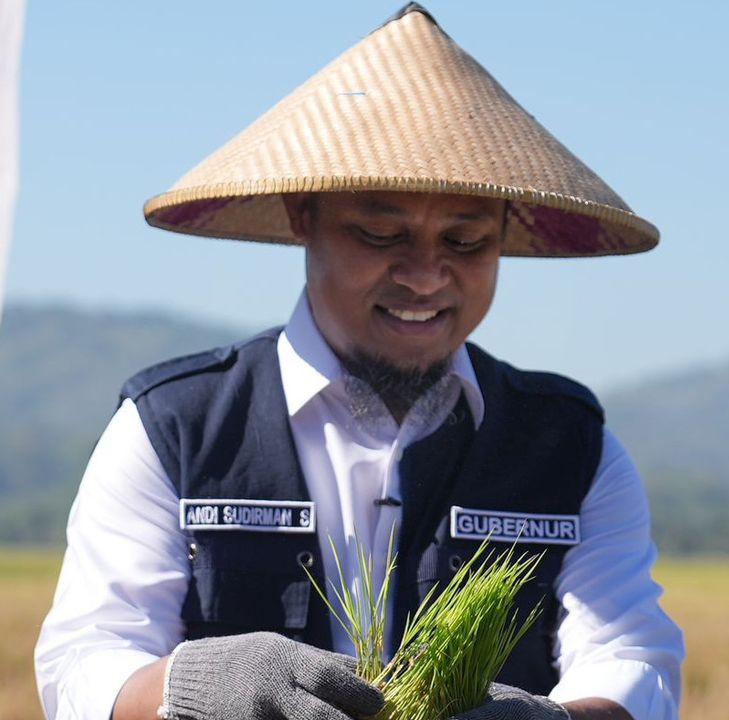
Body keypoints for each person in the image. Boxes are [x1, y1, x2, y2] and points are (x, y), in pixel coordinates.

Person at [34, 5, 682, 720]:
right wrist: (198, 685)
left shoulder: (572, 449)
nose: (426, 275)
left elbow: (633, 663)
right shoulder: (175, 429)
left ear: (504, 236)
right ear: (301, 214)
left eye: (466, 243)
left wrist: (553, 719)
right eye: (381, 233)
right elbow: (84, 665)